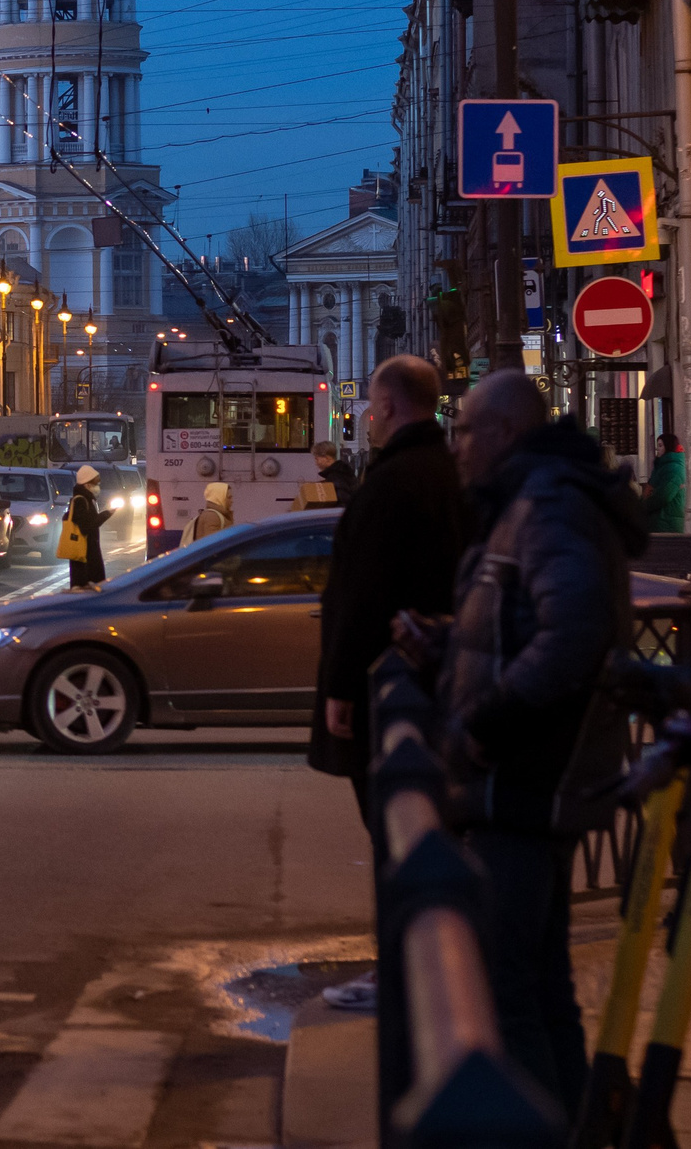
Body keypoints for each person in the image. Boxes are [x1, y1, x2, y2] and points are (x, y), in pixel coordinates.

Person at [411, 369, 644, 1116]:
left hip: (524, 781)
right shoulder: (534, 500)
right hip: (527, 779)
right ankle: (576, 1124)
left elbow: (572, 635)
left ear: (506, 432)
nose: (457, 446)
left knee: (506, 988)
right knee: (540, 983)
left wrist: (486, 723)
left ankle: (542, 1127)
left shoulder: (545, 506)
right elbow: (523, 623)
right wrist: (444, 645)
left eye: (467, 430)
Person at [309, 355, 472, 1013]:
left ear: (391, 407)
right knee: (430, 831)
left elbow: (362, 594)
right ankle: (441, 959)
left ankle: (403, 969)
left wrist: (342, 688)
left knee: (398, 834)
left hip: (389, 688)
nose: (367, 417)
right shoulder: (452, 475)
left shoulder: (391, 482)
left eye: (373, 406)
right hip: (440, 681)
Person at [63, 466, 110, 591]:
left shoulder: (85, 499)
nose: (98, 487)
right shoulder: (81, 501)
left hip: (86, 556)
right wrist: (106, 514)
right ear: (87, 485)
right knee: (87, 594)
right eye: (96, 484)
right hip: (85, 558)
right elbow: (86, 527)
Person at [642, 433, 686, 533]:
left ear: (669, 446)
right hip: (660, 521)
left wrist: (643, 507)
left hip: (666, 524)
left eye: (661, 446)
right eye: (658, 446)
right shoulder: (661, 466)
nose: (658, 449)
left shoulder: (674, 468)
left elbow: (664, 496)